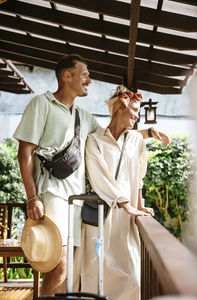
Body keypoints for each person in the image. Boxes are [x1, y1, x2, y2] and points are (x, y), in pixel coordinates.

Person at [13, 54, 169, 297]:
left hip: (77, 203)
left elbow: (113, 133)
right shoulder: (41, 104)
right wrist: (32, 197)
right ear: (67, 76)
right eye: (84, 74)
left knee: (69, 272)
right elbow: (24, 153)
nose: (89, 79)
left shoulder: (82, 117)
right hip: (52, 195)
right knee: (59, 266)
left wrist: (149, 132)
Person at [74, 86, 154, 300]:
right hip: (100, 217)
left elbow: (139, 177)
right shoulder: (94, 140)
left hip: (126, 222)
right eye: (134, 110)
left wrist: (138, 205)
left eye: (138, 111)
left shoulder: (137, 141)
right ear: (119, 106)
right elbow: (99, 177)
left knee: (132, 278)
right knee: (95, 277)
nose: (137, 116)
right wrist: (123, 202)